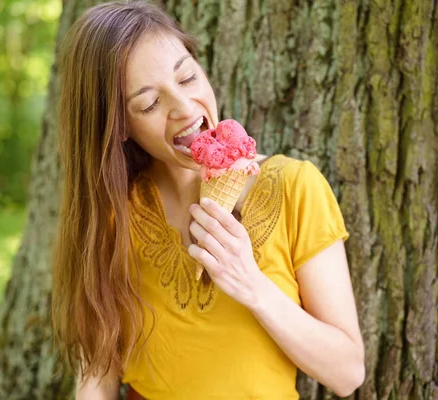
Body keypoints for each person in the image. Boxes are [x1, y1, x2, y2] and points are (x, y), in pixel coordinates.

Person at [51, 1, 365, 399]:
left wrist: (251, 284)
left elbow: (347, 373)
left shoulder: (296, 187)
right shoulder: (113, 214)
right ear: (120, 126)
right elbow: (96, 376)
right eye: (149, 104)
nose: (184, 109)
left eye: (186, 78)